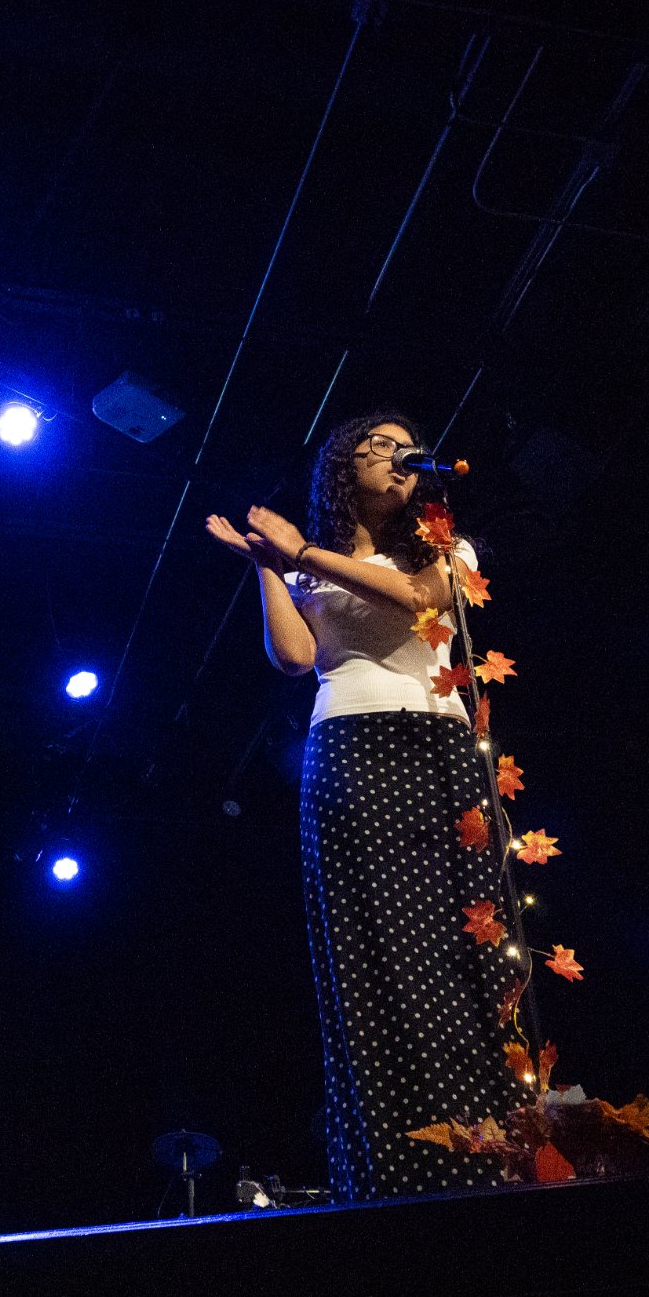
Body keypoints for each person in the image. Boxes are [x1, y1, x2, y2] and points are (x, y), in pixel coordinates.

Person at [205, 414, 512, 1199]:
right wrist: (268, 567)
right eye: (375, 444)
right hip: (351, 751)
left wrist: (303, 552)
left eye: (404, 445)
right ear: (344, 468)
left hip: (440, 753)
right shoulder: (312, 565)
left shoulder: (446, 548)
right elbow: (296, 657)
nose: (394, 455)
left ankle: (490, 1146)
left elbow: (419, 598)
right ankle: (396, 1166)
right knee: (374, 950)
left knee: (459, 944)